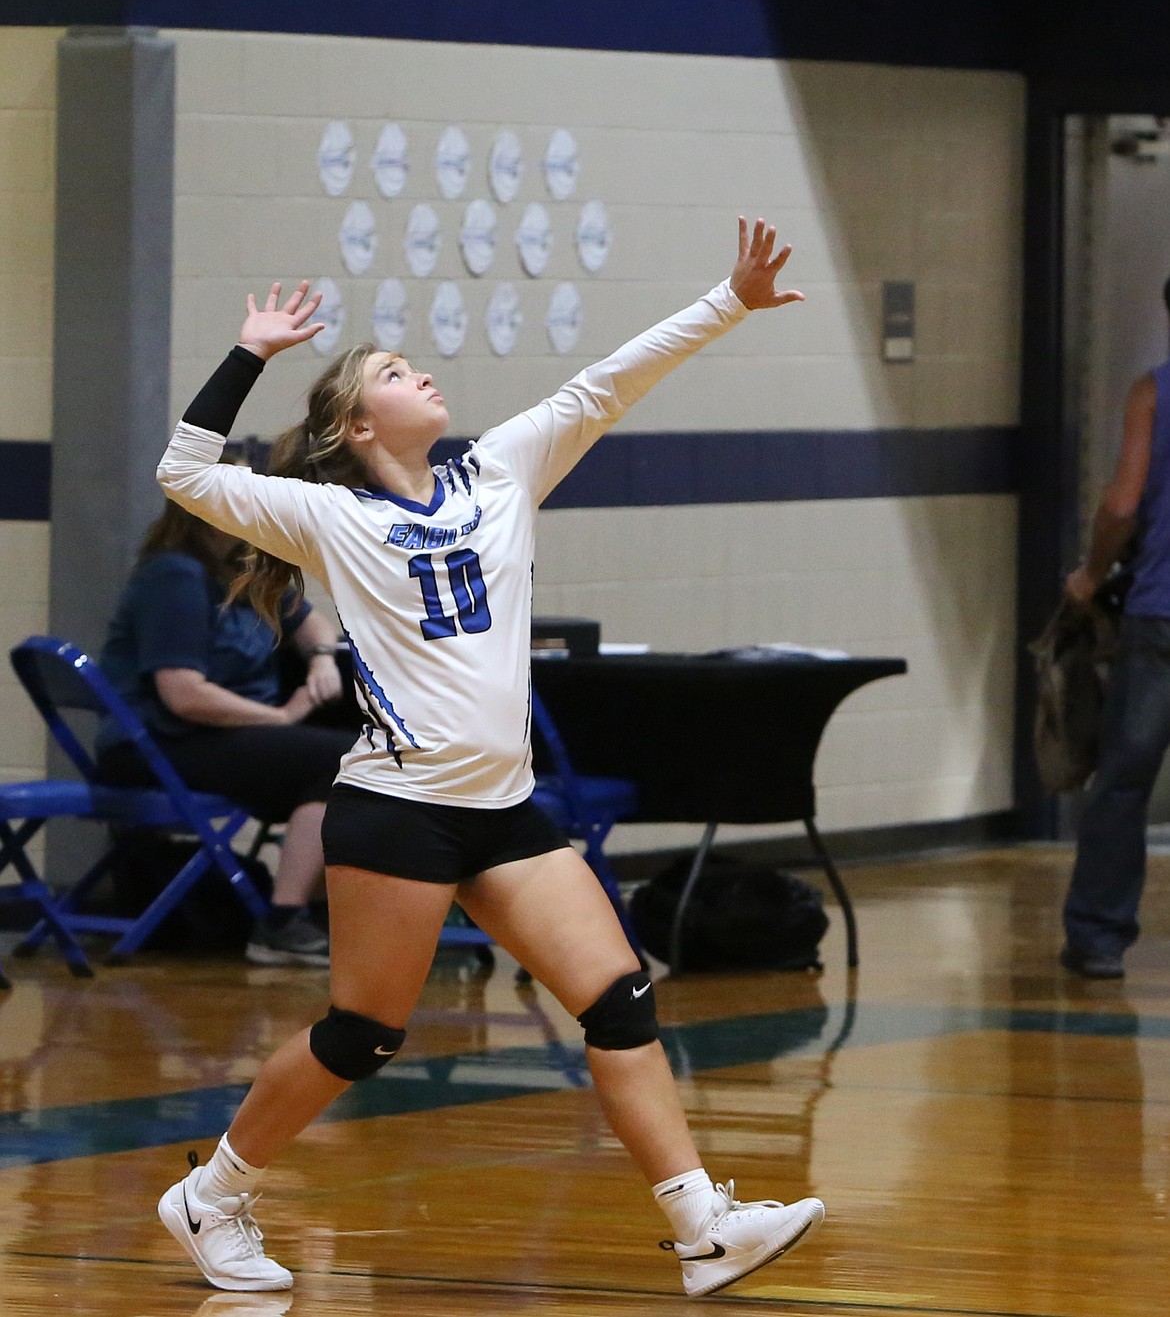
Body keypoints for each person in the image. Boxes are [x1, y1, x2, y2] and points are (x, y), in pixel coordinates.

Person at [153, 218, 826, 1298]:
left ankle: (704, 1227)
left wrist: (730, 299)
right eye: (394, 371)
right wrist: (253, 353)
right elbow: (183, 470)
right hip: (399, 807)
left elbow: (608, 383)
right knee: (365, 1031)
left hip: (505, 808)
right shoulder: (328, 517)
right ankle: (213, 1194)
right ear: (362, 421)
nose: (422, 373)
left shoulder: (502, 469)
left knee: (619, 999)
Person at [97, 497, 354, 967]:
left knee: (361, 749)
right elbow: (183, 694)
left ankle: (321, 911)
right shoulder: (174, 576)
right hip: (160, 742)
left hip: (217, 734)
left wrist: (320, 658)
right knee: (340, 761)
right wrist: (279, 718)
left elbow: (311, 622)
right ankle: (283, 920)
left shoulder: (247, 570)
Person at [1062, 273, 1170, 979]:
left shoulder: (1153, 392)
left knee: (1125, 780)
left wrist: (1091, 576)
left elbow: (1122, 505)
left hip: (1159, 614)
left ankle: (1099, 937)